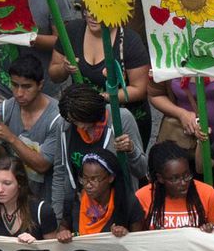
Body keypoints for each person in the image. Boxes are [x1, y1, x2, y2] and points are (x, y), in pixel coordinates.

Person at [48, 4, 152, 145]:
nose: (92, 15)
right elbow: (54, 75)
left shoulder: (130, 41)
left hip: (121, 122)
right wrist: (64, 68)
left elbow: (140, 89)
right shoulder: (72, 31)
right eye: (89, 9)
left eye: (101, 10)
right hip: (83, 120)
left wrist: (102, 98)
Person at [50, 83, 146, 217]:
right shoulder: (65, 125)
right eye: (74, 121)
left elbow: (142, 170)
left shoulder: (121, 118)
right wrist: (59, 217)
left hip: (118, 209)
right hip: (82, 209)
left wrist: (131, 150)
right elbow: (60, 172)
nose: (80, 126)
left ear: (92, 112)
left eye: (82, 120)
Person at [0, 53, 60, 200]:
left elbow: (42, 165)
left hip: (45, 199)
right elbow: (3, 162)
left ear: (40, 85)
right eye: (15, 85)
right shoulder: (3, 110)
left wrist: (10, 138)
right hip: (14, 197)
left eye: (26, 87)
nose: (19, 93)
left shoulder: (56, 118)